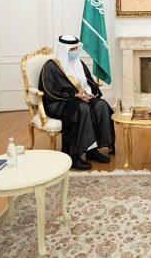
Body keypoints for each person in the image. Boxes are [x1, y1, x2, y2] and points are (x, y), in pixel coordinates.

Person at [39, 35, 115, 170]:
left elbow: (87, 81)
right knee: (82, 109)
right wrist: (74, 95)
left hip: (80, 99)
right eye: (72, 49)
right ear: (63, 49)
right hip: (59, 102)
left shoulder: (78, 62)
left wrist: (88, 93)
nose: (75, 51)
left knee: (101, 105)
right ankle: (73, 156)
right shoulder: (51, 66)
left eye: (76, 48)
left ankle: (92, 150)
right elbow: (49, 91)